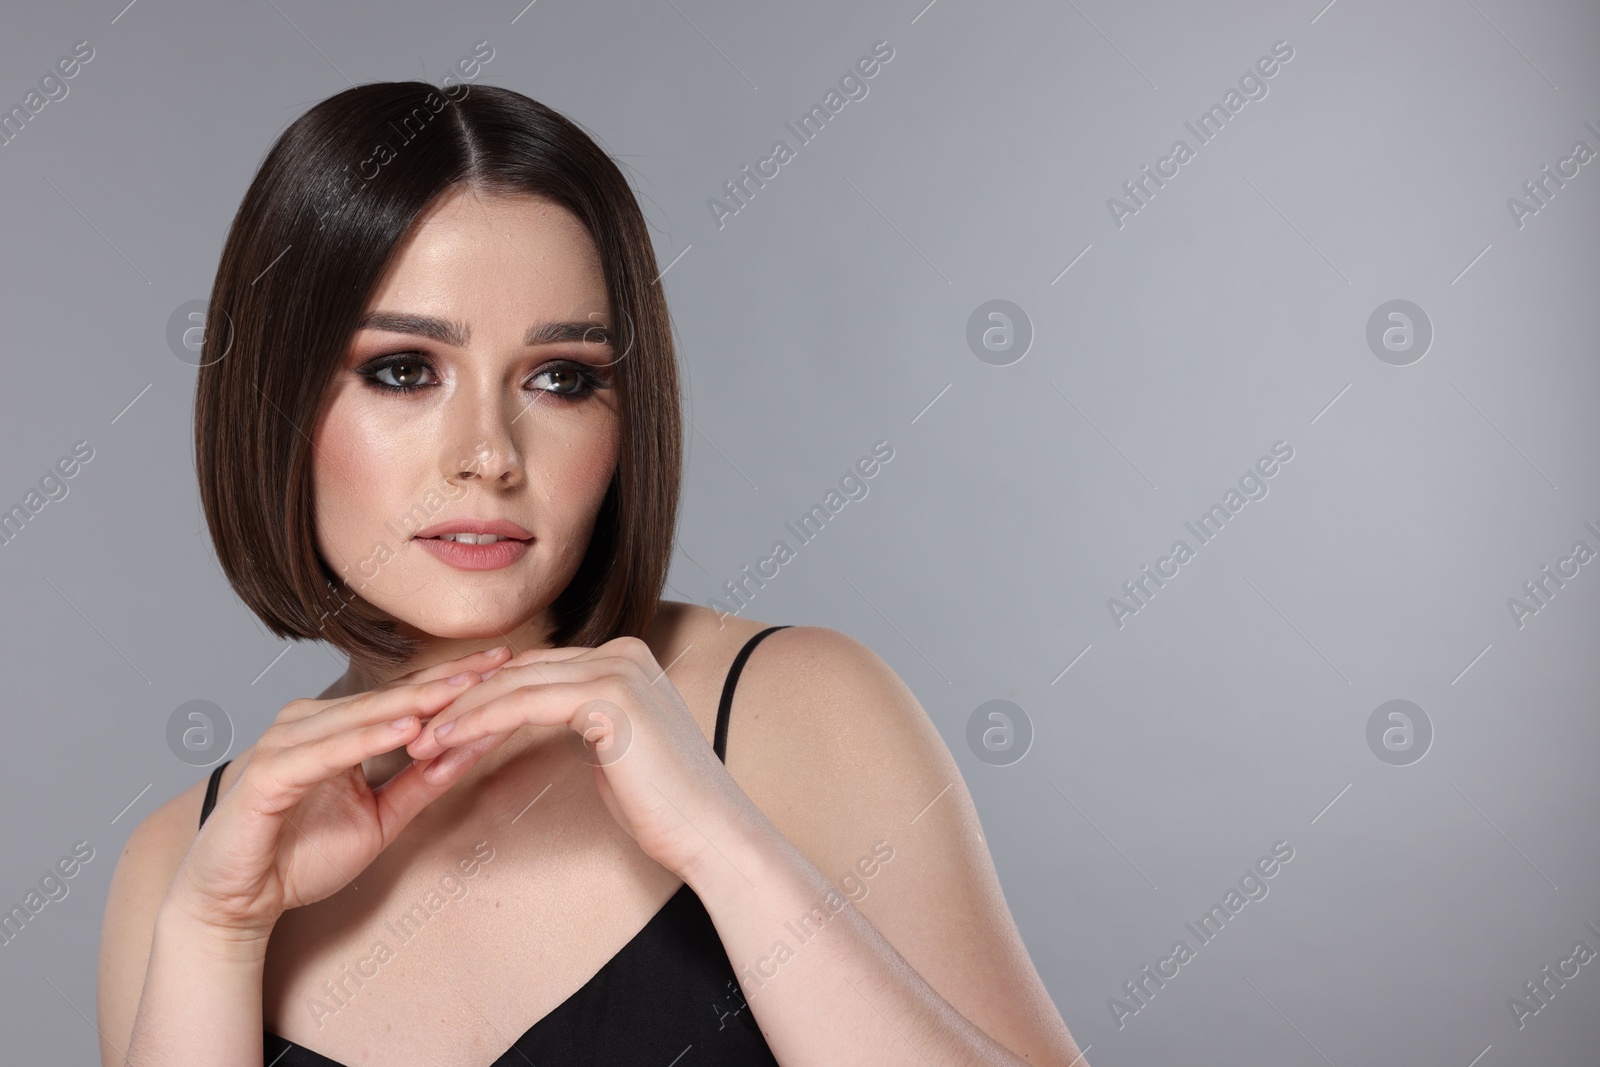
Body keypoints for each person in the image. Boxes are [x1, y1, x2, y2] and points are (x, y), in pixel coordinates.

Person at [95, 80, 1086, 1066]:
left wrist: (725, 843)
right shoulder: (182, 867)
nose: (488, 453)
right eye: (403, 369)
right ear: (273, 404)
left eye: (561, 377)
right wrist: (217, 934)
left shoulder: (796, 712)